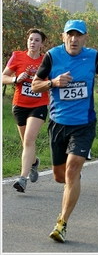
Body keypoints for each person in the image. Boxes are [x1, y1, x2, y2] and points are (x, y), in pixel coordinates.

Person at [32, 20, 98, 242]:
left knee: (72, 169)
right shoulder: (52, 56)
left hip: (84, 124)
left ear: (85, 38)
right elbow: (36, 84)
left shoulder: (93, 56)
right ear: (63, 36)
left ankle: (62, 223)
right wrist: (53, 83)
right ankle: (72, 179)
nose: (74, 39)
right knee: (61, 177)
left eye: (78, 35)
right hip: (58, 123)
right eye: (70, 35)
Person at [2, 28, 48, 193]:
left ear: (42, 44)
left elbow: (53, 82)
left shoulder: (47, 60)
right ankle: (34, 162)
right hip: (19, 106)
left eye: (37, 40)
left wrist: (42, 84)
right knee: (26, 143)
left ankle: (22, 179)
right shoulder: (17, 56)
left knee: (29, 139)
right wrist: (15, 78)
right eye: (31, 39)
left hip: (39, 105)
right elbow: (3, 76)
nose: (33, 43)